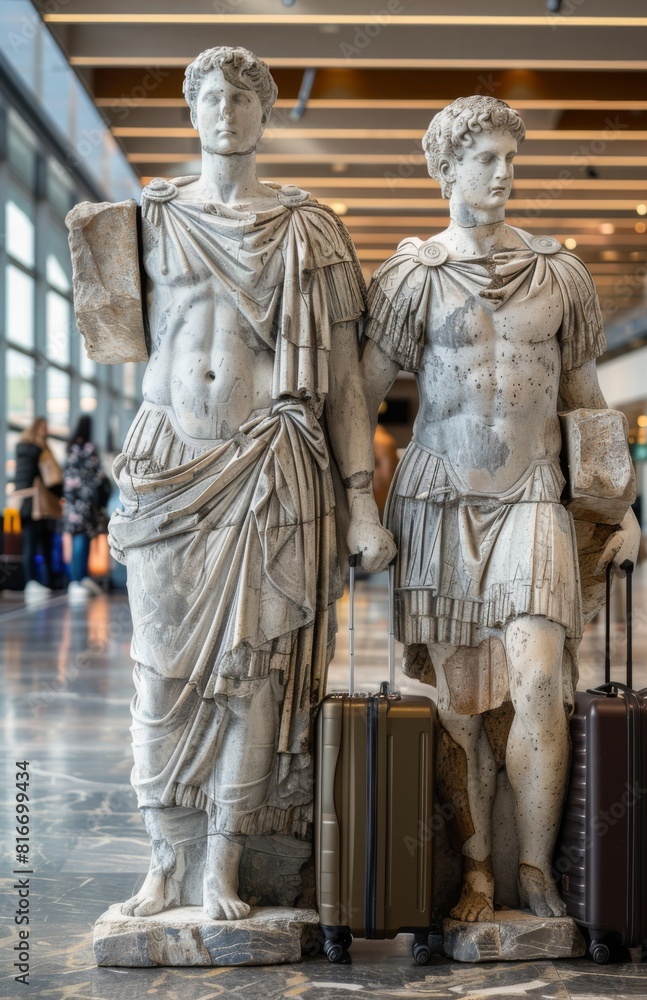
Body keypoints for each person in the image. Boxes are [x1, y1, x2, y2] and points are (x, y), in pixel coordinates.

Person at [68, 46, 394, 921]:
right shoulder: (145, 219)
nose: (227, 111)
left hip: (270, 463)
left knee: (255, 672)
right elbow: (112, 334)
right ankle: (164, 861)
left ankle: (224, 862)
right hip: (169, 463)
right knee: (158, 672)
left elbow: (345, 383)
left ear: (266, 115)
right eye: (211, 97)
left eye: (244, 99)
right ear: (191, 111)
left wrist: (360, 501)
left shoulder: (309, 229)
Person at [360, 96, 639, 921]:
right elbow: (359, 396)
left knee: (541, 680)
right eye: (486, 158)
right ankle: (477, 869)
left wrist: (618, 505)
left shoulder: (559, 274)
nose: (504, 173)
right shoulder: (412, 276)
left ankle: (533, 867)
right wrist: (353, 504)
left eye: (512, 159)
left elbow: (586, 399)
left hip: (531, 495)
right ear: (445, 169)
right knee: (458, 706)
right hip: (438, 498)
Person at [14, 416, 62, 603]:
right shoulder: (39, 451)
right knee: (41, 544)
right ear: (37, 429)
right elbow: (53, 479)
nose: (46, 431)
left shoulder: (21, 449)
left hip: (22, 502)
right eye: (43, 428)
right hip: (38, 503)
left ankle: (33, 582)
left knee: (31, 544)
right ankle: (41, 581)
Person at [62, 415, 108, 603]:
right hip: (86, 503)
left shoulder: (69, 449)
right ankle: (80, 579)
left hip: (71, 502)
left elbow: (66, 476)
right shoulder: (90, 449)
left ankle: (75, 580)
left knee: (75, 539)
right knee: (83, 539)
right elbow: (97, 476)